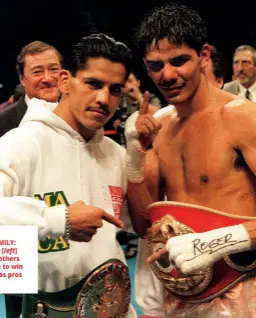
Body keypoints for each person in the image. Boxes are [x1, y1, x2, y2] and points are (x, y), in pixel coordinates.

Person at [125, 3, 256, 317]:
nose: (167, 75)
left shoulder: (241, 117)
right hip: (180, 299)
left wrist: (220, 241)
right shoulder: (159, 126)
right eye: (156, 65)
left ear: (204, 57)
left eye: (179, 60)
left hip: (245, 291)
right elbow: (144, 225)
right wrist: (135, 156)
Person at [0, 33, 136, 318]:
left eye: (114, 90)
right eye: (93, 84)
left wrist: (140, 153)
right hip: (43, 304)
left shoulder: (115, 154)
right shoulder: (20, 142)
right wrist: (56, 220)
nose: (103, 99)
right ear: (66, 82)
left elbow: (138, 225)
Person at [0, 40, 63, 137]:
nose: (48, 78)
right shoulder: (3, 123)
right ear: (22, 79)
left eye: (54, 69)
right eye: (37, 72)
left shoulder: (78, 114)